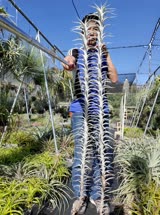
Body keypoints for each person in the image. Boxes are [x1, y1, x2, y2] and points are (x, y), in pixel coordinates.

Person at [63, 13, 118, 215]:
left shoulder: (103, 54)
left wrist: (107, 55)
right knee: (81, 154)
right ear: (83, 31)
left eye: (96, 28)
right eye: (89, 28)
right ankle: (80, 196)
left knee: (100, 153)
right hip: (80, 109)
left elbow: (113, 79)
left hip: (101, 111)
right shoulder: (77, 51)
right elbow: (69, 62)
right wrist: (68, 62)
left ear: (100, 31)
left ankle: (97, 196)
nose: (92, 32)